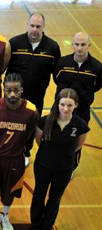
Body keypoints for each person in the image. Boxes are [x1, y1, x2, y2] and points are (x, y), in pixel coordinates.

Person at [0, 73, 38, 230]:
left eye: (16, 90)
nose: (12, 94)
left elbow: (29, 133)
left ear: (22, 90)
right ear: (3, 89)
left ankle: (4, 215)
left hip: (15, 158)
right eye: (8, 90)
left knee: (9, 192)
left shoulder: (31, 111)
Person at [30, 88, 89, 230]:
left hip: (64, 168)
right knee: (39, 195)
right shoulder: (44, 121)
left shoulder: (80, 125)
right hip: (43, 165)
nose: (65, 108)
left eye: (69, 105)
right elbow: (39, 142)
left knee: (55, 198)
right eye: (62, 104)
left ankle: (47, 225)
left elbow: (77, 146)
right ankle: (36, 224)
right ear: (57, 104)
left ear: (76, 105)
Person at [7, 12, 61, 160]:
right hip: (14, 96)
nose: (35, 29)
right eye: (32, 25)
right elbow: (6, 68)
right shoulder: (14, 43)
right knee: (11, 122)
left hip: (37, 95)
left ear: (43, 27)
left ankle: (26, 151)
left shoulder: (52, 47)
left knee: (31, 123)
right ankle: (10, 147)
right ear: (27, 25)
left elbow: (57, 72)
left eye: (38, 26)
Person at [53, 32, 102, 171]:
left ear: (89, 46)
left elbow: (97, 86)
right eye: (77, 44)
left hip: (81, 112)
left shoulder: (97, 67)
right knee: (55, 137)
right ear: (72, 45)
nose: (80, 48)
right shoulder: (62, 63)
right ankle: (55, 161)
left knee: (75, 141)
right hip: (60, 111)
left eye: (83, 45)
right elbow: (56, 79)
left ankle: (71, 167)